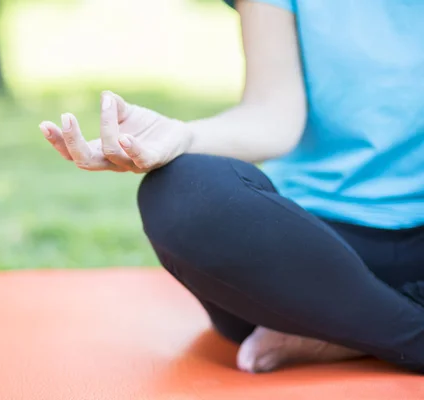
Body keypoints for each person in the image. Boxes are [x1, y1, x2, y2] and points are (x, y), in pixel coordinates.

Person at [38, 0, 424, 373]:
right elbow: (273, 116)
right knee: (182, 190)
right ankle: (395, 330)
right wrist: (182, 136)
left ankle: (353, 332)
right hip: (307, 258)